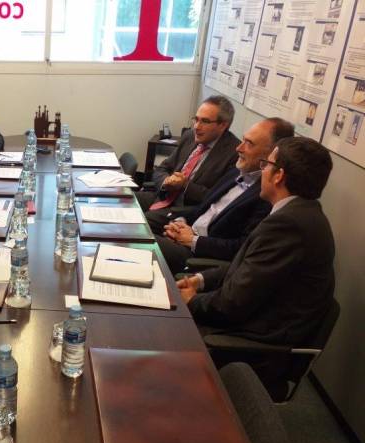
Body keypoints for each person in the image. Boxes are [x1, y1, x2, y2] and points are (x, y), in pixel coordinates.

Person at [178, 137, 334, 392]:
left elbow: (232, 304)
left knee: (161, 335)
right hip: (255, 321)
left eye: (266, 164)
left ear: (278, 175)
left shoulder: (289, 224)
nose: (262, 171)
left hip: (256, 344)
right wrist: (200, 281)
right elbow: (245, 265)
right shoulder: (297, 213)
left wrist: (193, 300)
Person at [156, 118, 294, 274]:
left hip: (199, 254)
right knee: (140, 226)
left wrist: (192, 240)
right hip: (186, 231)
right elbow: (203, 207)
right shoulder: (236, 171)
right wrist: (180, 223)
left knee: (141, 246)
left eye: (249, 143)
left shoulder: (267, 195)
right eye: (243, 140)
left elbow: (242, 247)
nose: (239, 148)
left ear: (272, 154)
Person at [139, 96, 241, 232]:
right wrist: (166, 181)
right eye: (196, 119)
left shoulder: (234, 153)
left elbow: (217, 198)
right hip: (163, 196)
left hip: (188, 209)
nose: (197, 126)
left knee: (141, 222)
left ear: (223, 125)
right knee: (126, 200)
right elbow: (163, 168)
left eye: (205, 121)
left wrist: (185, 185)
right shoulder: (190, 136)